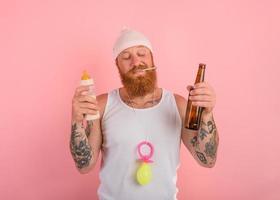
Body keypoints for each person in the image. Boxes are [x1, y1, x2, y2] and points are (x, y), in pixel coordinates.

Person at [70, 28, 219, 200]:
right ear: (117, 65)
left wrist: (207, 115)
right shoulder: (102, 105)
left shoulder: (177, 105)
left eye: (142, 53)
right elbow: (84, 166)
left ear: (152, 59)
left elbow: (207, 160)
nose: (136, 61)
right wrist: (76, 121)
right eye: (126, 57)